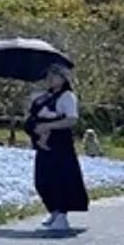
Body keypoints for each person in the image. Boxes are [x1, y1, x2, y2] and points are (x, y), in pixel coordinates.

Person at [26, 65, 89, 232]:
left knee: (59, 177)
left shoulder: (67, 96)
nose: (50, 78)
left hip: (59, 141)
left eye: (54, 75)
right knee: (42, 178)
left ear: (63, 78)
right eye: (49, 75)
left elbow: (71, 120)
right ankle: (53, 210)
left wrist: (48, 126)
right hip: (42, 139)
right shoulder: (44, 96)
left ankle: (62, 214)